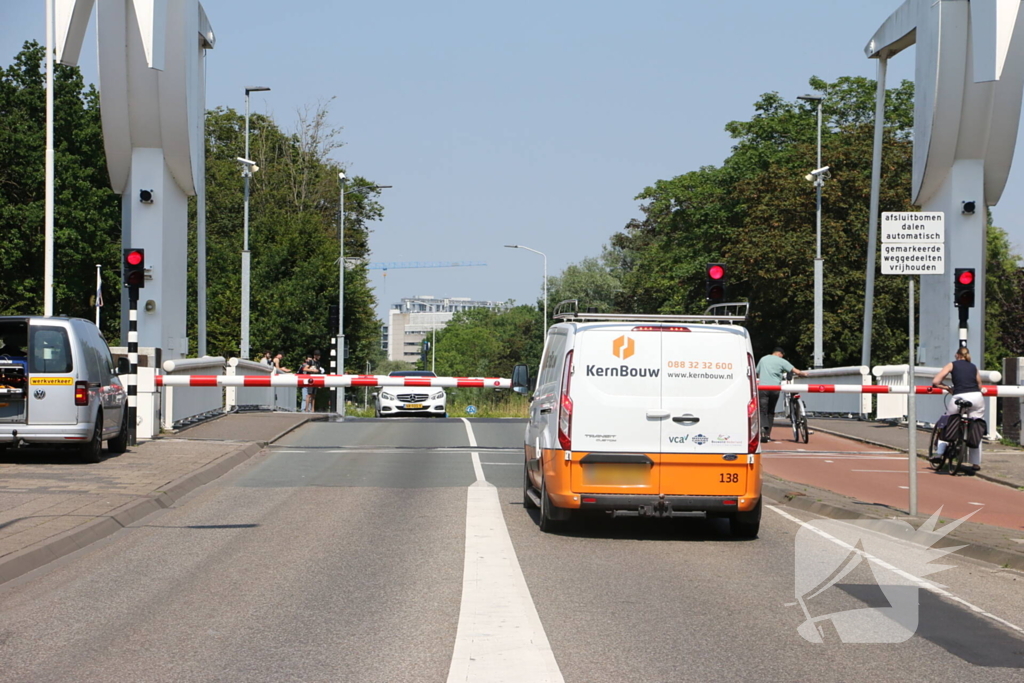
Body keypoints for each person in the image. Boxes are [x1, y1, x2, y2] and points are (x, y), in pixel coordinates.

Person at [930, 347, 985, 472]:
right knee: (975, 427)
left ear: (957, 355)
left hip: (959, 396)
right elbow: (980, 385)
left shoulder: (951, 365)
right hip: (977, 397)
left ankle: (939, 454)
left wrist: (948, 388)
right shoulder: (973, 367)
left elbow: (936, 381)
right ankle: (976, 463)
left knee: (947, 421)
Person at [756, 347, 808, 443]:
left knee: (763, 409)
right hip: (775, 389)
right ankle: (768, 434)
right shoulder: (781, 361)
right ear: (780, 354)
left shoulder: (763, 359)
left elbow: (757, 372)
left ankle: (763, 428)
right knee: (771, 411)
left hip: (763, 388)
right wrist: (804, 374)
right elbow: (796, 371)